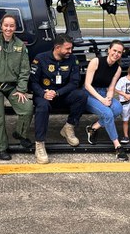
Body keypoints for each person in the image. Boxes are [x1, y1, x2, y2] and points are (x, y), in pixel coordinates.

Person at [29, 34, 88, 164]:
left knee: (82, 95)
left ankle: (68, 128)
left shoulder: (72, 59)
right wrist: (43, 93)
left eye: (71, 48)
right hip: (44, 95)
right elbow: (32, 82)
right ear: (57, 47)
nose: (70, 51)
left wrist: (57, 92)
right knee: (42, 107)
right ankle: (39, 145)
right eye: (67, 49)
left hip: (61, 94)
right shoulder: (40, 58)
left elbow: (74, 82)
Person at [0, 14, 34, 161]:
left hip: (12, 86)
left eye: (11, 25)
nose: (8, 28)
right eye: (6, 25)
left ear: (15, 27)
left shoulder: (20, 46)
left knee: (27, 108)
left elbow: (25, 69)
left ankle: (20, 133)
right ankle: (0, 149)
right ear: (1, 26)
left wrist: (21, 89)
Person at [83, 40, 127, 160]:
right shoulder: (96, 61)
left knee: (118, 108)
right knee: (107, 113)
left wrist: (109, 97)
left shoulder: (117, 69)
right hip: (89, 93)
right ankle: (117, 146)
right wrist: (102, 100)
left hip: (103, 92)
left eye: (119, 52)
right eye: (114, 50)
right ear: (109, 50)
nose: (116, 54)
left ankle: (93, 127)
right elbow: (87, 85)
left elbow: (111, 87)